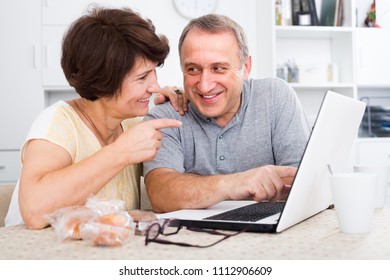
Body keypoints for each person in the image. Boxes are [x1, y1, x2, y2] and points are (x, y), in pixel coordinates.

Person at [5, 7, 182, 229]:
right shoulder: (57, 122)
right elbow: (34, 211)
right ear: (103, 81)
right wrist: (122, 152)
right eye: (142, 77)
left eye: (154, 71)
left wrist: (171, 101)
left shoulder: (131, 122)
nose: (155, 86)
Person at [143, 14, 311, 213]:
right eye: (193, 69)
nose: (205, 86)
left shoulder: (275, 96)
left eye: (219, 68)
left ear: (246, 67)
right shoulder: (165, 116)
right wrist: (234, 184)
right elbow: (161, 194)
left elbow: (301, 181)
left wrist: (193, 187)